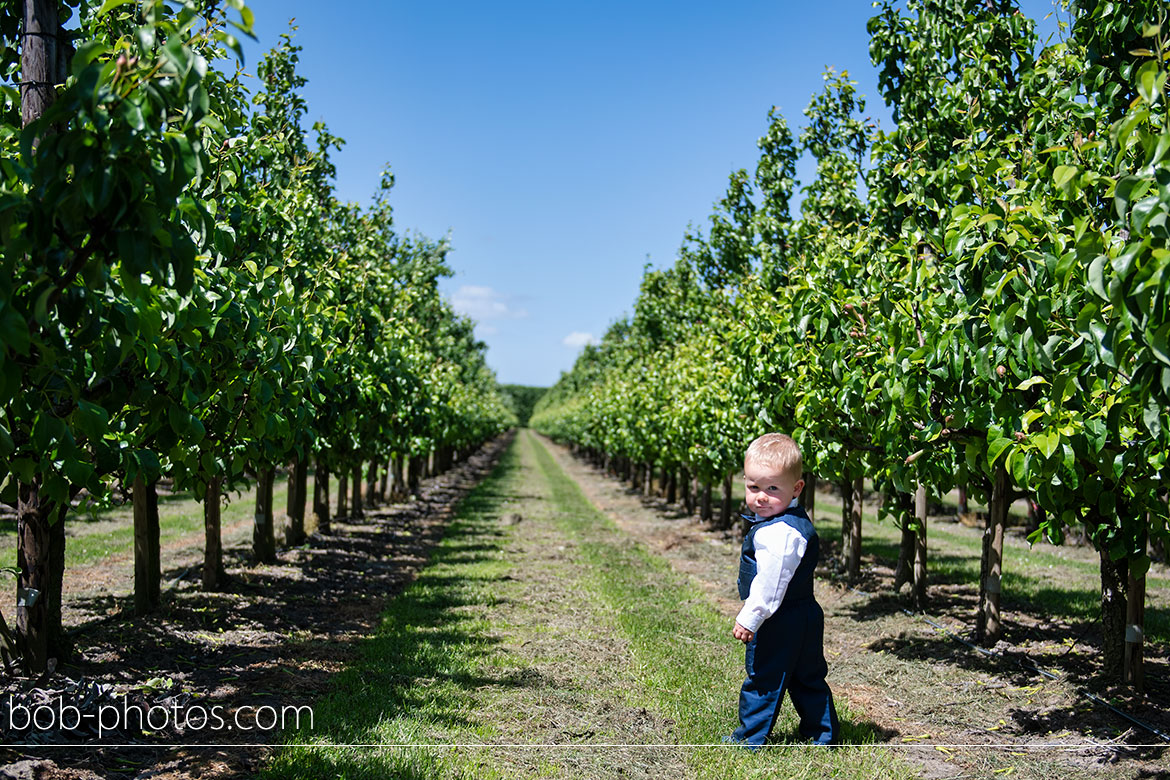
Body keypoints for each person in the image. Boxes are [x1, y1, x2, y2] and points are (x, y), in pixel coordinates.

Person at [728, 432, 839, 747]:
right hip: (804, 614)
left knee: (764, 678)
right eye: (753, 487)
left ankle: (750, 738)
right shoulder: (789, 522)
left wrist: (751, 617)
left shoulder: (779, 533)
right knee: (807, 677)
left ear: (797, 488)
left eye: (772, 488)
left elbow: (771, 583)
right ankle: (822, 734)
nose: (761, 496)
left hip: (779, 619)